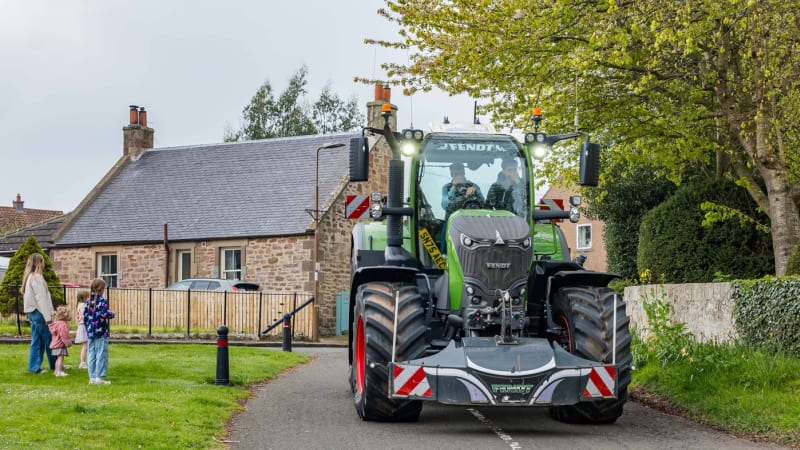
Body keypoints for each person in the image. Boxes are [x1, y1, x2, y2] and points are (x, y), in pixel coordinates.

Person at [21, 253, 56, 374]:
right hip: (39, 313)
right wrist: (48, 317)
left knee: (37, 340)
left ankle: (34, 367)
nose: (44, 263)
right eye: (43, 261)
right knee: (50, 340)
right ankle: (55, 365)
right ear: (39, 262)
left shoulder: (30, 277)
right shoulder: (37, 278)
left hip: (33, 313)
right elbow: (42, 299)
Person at [85, 278, 115, 385]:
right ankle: (99, 377)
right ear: (102, 289)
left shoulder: (88, 301)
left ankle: (92, 377)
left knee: (91, 354)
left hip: (90, 332)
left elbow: (85, 317)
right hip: (101, 332)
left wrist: (87, 329)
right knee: (101, 353)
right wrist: (111, 314)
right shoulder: (103, 301)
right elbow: (103, 314)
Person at [48, 306, 73, 377]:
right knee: (60, 358)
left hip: (55, 344)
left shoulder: (56, 323)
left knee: (58, 358)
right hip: (60, 345)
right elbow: (64, 336)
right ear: (65, 316)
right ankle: (59, 372)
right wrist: (68, 343)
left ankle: (56, 371)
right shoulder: (63, 325)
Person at [75, 289, 90, 369]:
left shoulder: (79, 305)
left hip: (82, 326)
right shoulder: (83, 305)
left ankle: (83, 362)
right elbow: (86, 316)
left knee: (84, 346)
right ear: (84, 297)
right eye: (88, 297)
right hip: (84, 326)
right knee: (85, 346)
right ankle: (82, 363)